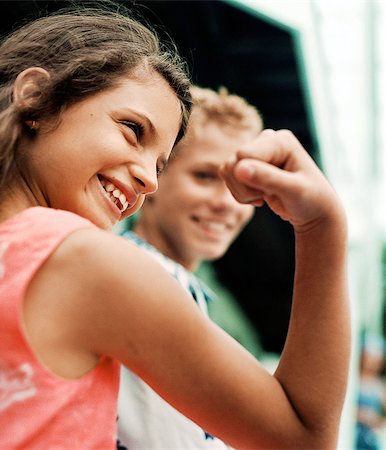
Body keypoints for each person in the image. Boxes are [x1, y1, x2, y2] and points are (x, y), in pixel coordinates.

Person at [0, 4, 351, 449]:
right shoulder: (88, 264)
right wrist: (323, 228)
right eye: (133, 129)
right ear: (36, 97)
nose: (149, 180)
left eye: (160, 164)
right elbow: (304, 439)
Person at [117, 85, 264, 449]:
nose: (227, 203)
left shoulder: (171, 280)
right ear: (154, 175)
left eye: (244, 185)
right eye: (204, 176)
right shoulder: (143, 276)